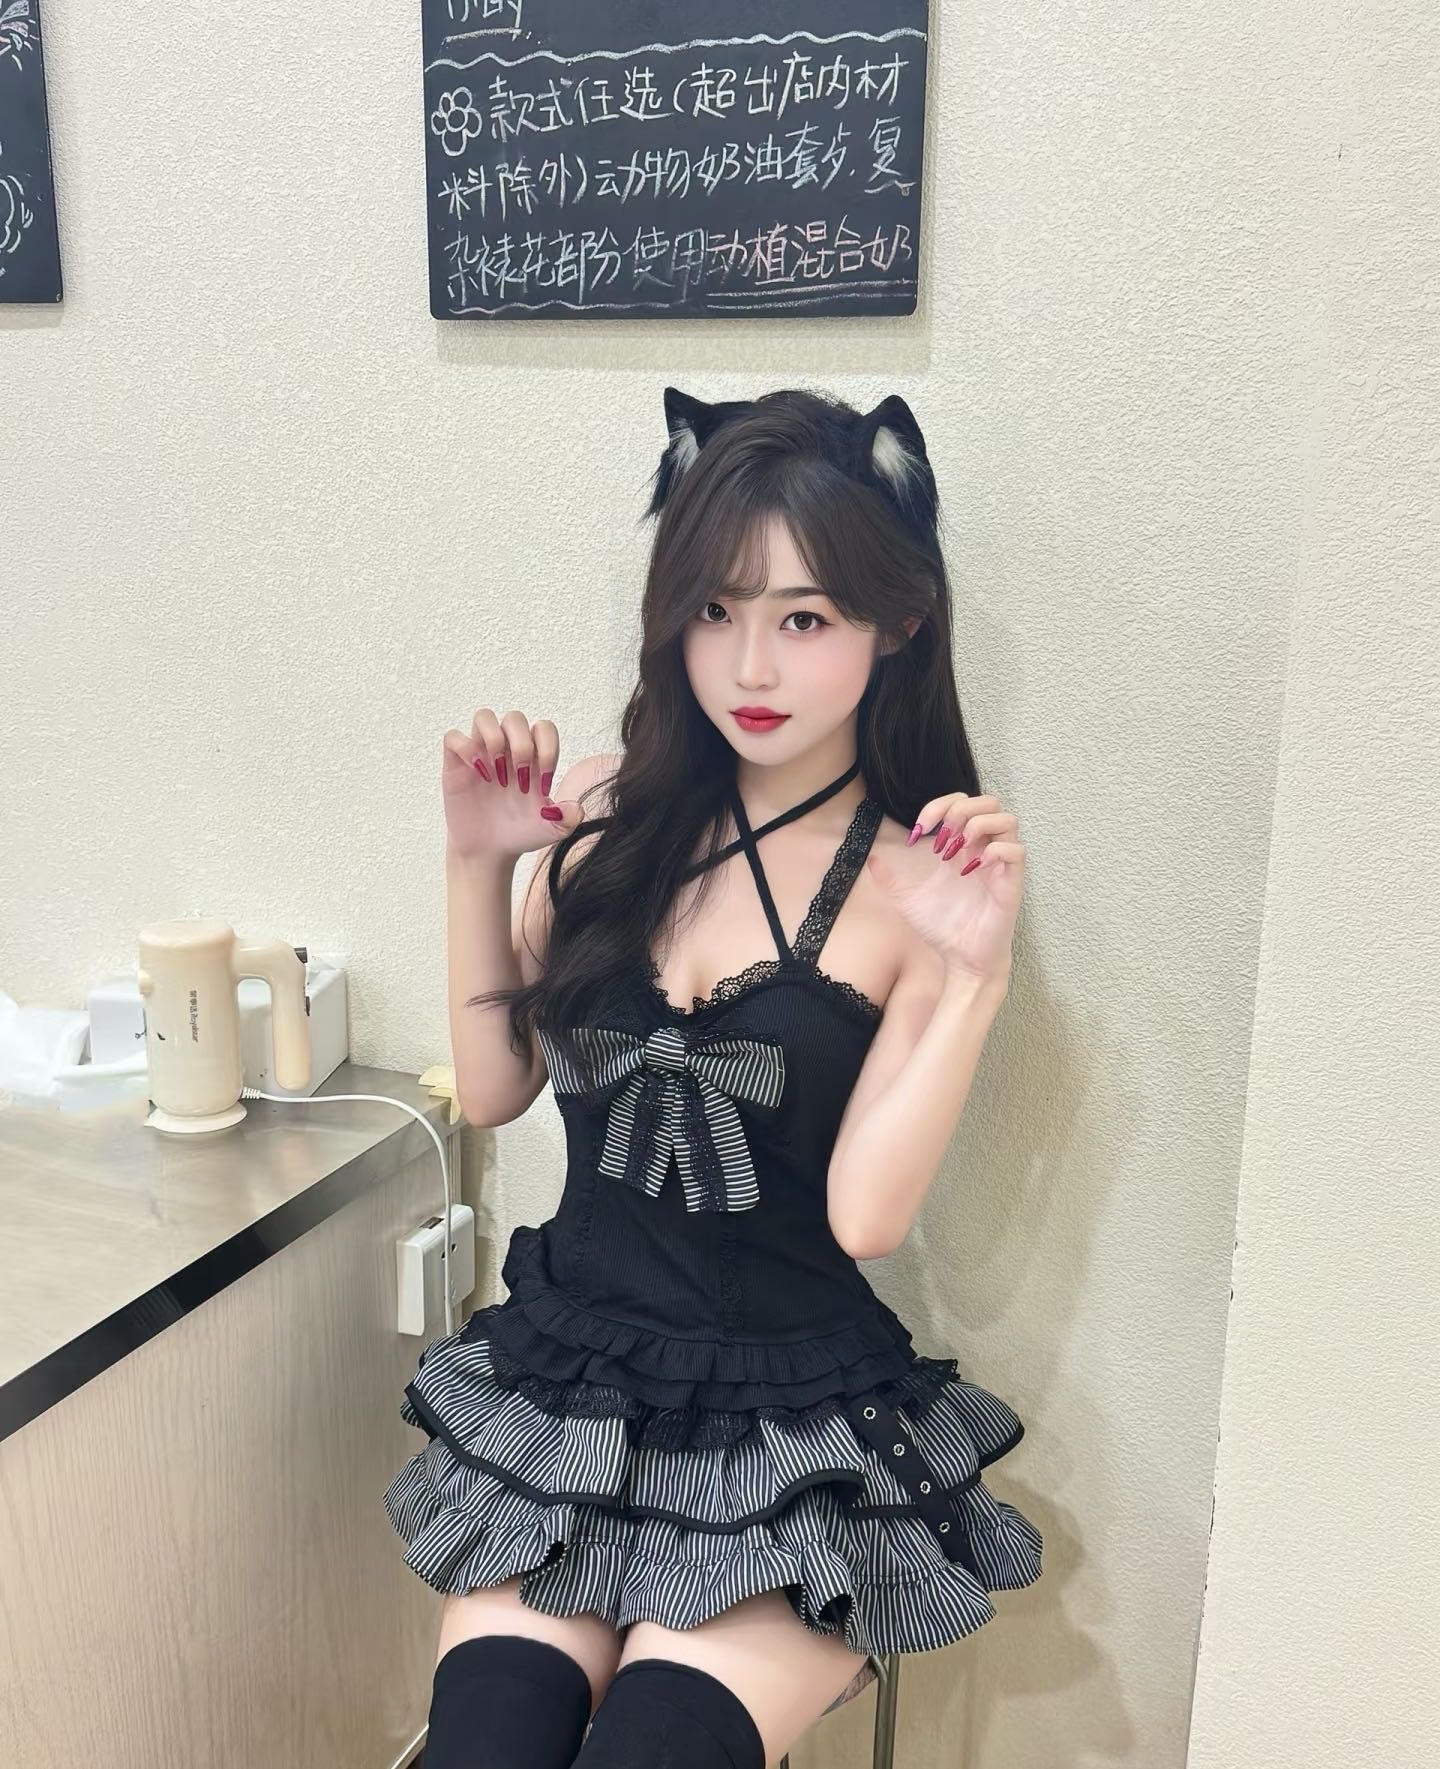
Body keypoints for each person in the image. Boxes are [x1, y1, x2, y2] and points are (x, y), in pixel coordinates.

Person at [385, 386, 1043, 1769]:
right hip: (572, 1389)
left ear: (897, 622)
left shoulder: (917, 889)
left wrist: (975, 978)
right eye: (714, 609)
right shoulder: (607, 824)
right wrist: (477, 863)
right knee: (482, 1748)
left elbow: (866, 1220)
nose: (750, 663)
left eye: (804, 619)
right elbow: (495, 1089)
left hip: (783, 1431)